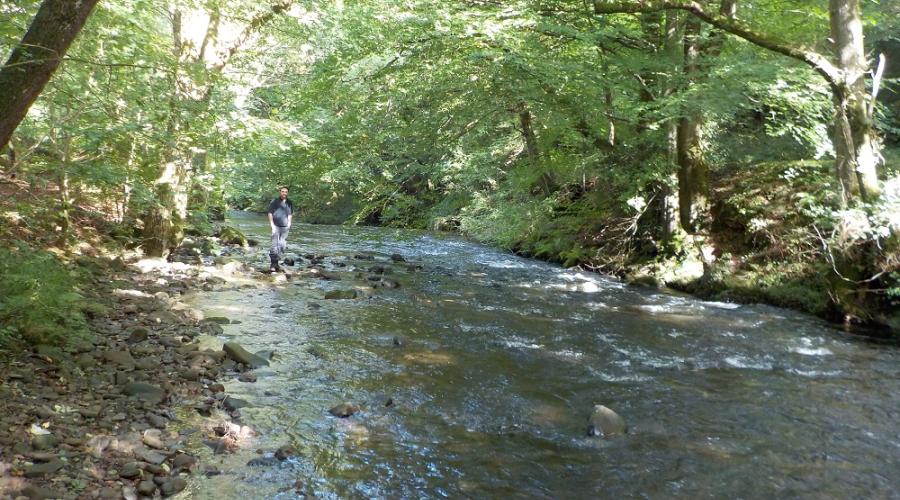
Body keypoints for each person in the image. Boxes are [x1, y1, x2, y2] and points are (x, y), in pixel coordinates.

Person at [267, 186, 294, 272]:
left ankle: (277, 262)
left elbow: (290, 214)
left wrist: (289, 223)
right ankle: (273, 264)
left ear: (287, 193)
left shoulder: (289, 202)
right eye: (282, 191)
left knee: (282, 245)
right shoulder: (274, 201)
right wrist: (272, 225)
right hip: (276, 226)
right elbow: (270, 213)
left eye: (286, 192)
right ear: (280, 192)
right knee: (274, 245)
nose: (284, 193)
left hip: (285, 226)